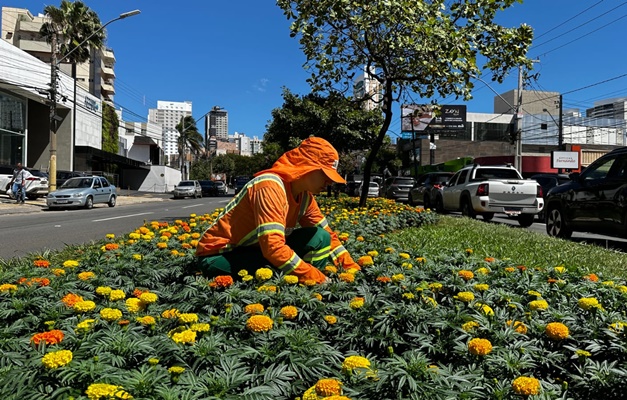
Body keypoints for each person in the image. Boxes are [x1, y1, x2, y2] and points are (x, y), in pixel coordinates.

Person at [195, 137, 361, 284]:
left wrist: (352, 270)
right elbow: (273, 248)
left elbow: (329, 237)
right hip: (219, 256)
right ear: (309, 167)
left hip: (256, 250)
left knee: (320, 237)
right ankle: (307, 285)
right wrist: (318, 278)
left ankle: (309, 288)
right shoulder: (269, 186)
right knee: (274, 269)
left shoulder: (305, 197)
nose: (329, 182)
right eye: (325, 174)